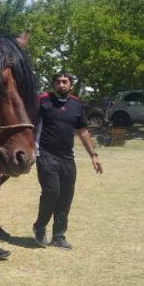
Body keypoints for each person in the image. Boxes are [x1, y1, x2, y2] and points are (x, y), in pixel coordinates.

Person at [32, 72, 103, 249]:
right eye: (58, 82)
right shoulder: (43, 100)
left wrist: (93, 155)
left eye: (65, 82)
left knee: (65, 196)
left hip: (67, 157)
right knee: (52, 191)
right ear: (53, 84)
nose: (61, 85)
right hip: (45, 153)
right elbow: (29, 124)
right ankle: (40, 227)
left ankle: (58, 236)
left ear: (71, 85)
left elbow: (83, 131)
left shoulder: (77, 104)